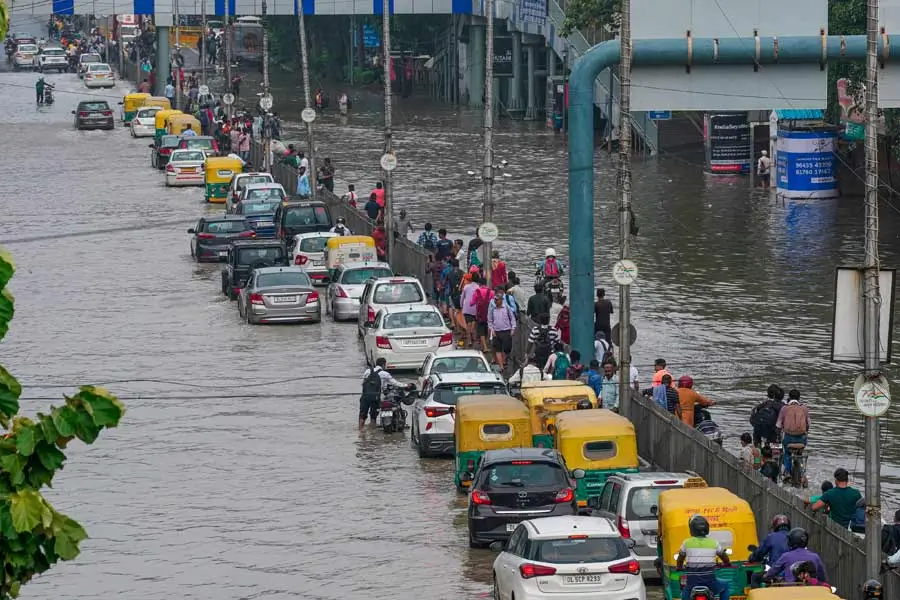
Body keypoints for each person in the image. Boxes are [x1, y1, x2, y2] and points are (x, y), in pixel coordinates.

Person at [675, 514, 731, 600]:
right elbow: (725, 557)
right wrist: (727, 564)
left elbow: (680, 559)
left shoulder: (686, 543)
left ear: (692, 529)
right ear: (707, 529)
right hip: (710, 583)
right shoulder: (714, 543)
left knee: (684, 592)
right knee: (725, 585)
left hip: (692, 583)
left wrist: (679, 567)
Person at [776, 389, 809, 479]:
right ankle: (801, 470)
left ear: (789, 397)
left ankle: (787, 472)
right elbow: (808, 424)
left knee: (786, 452)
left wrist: (778, 435)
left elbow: (778, 425)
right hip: (801, 438)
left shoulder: (785, 408)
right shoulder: (804, 408)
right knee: (800, 452)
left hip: (788, 438)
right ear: (799, 398)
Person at [359, 357, 400, 429]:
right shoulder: (385, 374)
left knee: (362, 416)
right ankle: (372, 434)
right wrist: (407, 385)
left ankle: (361, 433)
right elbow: (396, 383)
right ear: (384, 365)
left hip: (365, 396)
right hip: (375, 397)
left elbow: (362, 383)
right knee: (373, 417)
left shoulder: (367, 371)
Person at [488, 290, 516, 371]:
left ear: (501, 300)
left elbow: (512, 319)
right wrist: (492, 330)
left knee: (507, 349)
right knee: (498, 349)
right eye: (495, 300)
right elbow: (490, 321)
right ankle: (501, 366)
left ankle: (504, 360)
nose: (495, 301)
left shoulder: (506, 308)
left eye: (497, 300)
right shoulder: (492, 310)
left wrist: (513, 329)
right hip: (496, 332)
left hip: (506, 331)